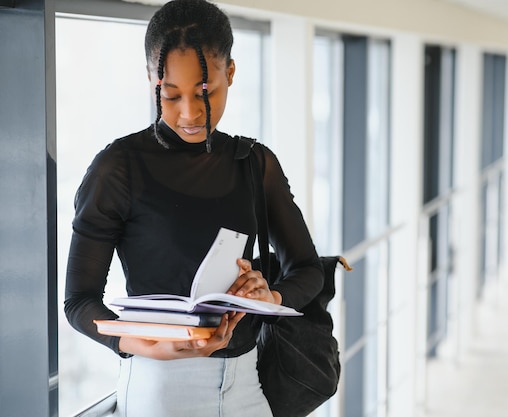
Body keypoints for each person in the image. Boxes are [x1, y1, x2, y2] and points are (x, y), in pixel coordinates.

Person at [63, 1, 324, 415]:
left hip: (246, 386)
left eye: (205, 92)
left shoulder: (255, 164)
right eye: (170, 95)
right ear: (151, 79)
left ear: (231, 74)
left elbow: (308, 270)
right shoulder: (118, 168)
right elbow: (78, 301)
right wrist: (141, 344)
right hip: (158, 387)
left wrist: (270, 295)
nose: (189, 113)